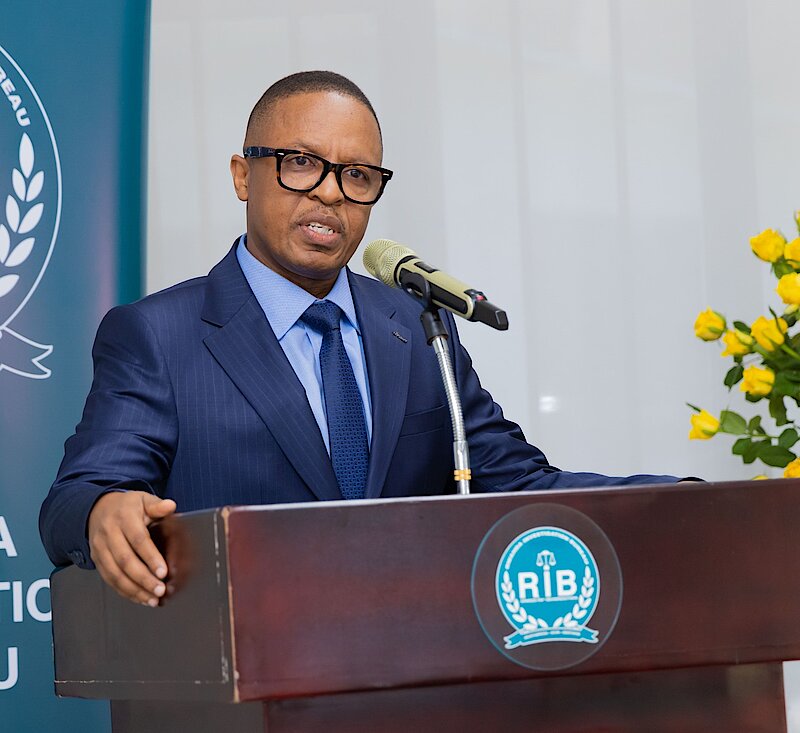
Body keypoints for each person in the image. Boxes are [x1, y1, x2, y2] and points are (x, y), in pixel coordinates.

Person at [39, 71, 677, 609]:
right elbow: (74, 500)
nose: (329, 192)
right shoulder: (158, 335)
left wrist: (675, 502)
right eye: (300, 163)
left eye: (358, 175)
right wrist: (104, 512)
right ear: (242, 175)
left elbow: (514, 483)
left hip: (408, 672)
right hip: (245, 677)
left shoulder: (417, 325)